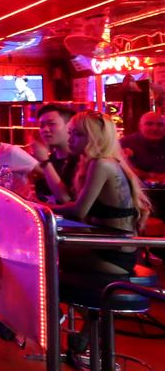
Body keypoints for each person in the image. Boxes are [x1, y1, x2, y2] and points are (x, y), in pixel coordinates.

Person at [54, 111, 151, 276]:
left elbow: (79, 211)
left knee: (41, 256)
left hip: (112, 255)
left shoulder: (101, 164)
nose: (70, 139)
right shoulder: (106, 161)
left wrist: (39, 207)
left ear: (95, 137)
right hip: (110, 248)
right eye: (70, 133)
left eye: (78, 134)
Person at [31, 103, 78, 203]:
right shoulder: (50, 159)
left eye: (51, 124)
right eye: (41, 125)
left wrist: (44, 162)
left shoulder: (80, 160)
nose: (45, 130)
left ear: (69, 126)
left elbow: (67, 201)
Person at [121, 111, 165, 183]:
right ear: (140, 126)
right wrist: (149, 176)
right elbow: (119, 169)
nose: (155, 128)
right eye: (149, 124)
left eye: (160, 125)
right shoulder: (125, 143)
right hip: (136, 190)